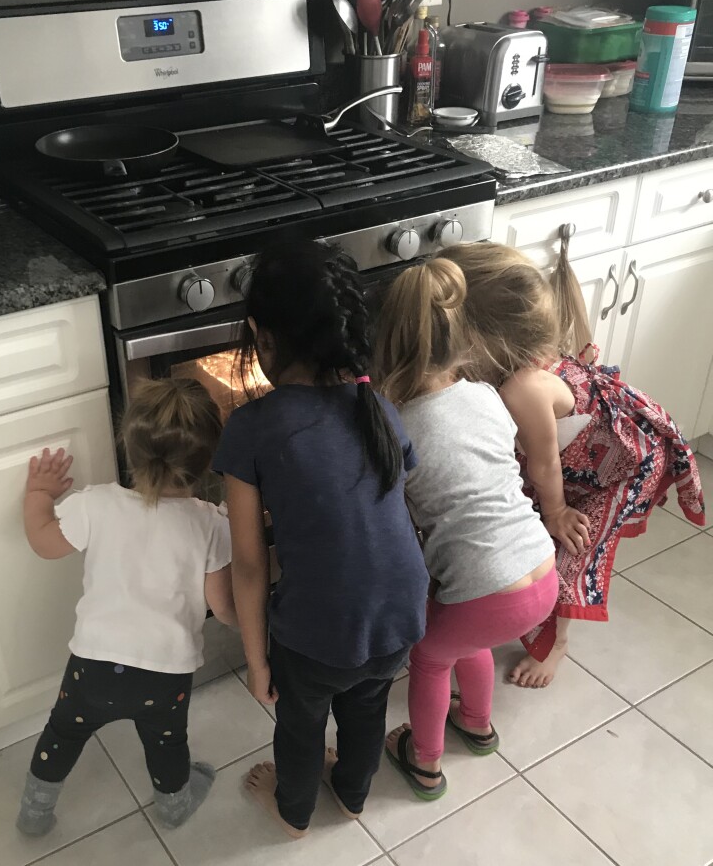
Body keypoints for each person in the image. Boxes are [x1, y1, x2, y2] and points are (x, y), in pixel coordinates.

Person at [213, 241, 429, 838]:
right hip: (401, 616)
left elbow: (250, 566)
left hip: (315, 635)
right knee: (366, 708)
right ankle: (354, 796)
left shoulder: (251, 427)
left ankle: (293, 813)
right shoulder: (378, 404)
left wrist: (257, 663)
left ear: (264, 338)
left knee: (302, 725)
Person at [441, 241, 706, 688]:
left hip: (619, 467)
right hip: (578, 459)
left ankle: (558, 645)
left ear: (480, 339)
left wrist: (556, 512)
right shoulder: (509, 360)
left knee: (571, 553)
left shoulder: (522, 388)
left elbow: (543, 467)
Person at [16, 378, 238, 836]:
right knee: (167, 741)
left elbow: (43, 543)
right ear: (208, 462)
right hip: (165, 673)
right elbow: (223, 607)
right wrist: (259, 628)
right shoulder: (212, 525)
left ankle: (35, 812)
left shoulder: (95, 505)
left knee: (63, 733)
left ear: (129, 446)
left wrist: (38, 495)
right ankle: (174, 804)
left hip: (92, 667)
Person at [374, 258, 557, 800]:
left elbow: (394, 508)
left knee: (431, 656)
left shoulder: (397, 424)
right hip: (541, 572)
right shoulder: (486, 397)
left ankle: (425, 762)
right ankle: (476, 723)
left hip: (485, 590)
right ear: (463, 341)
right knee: (469, 632)